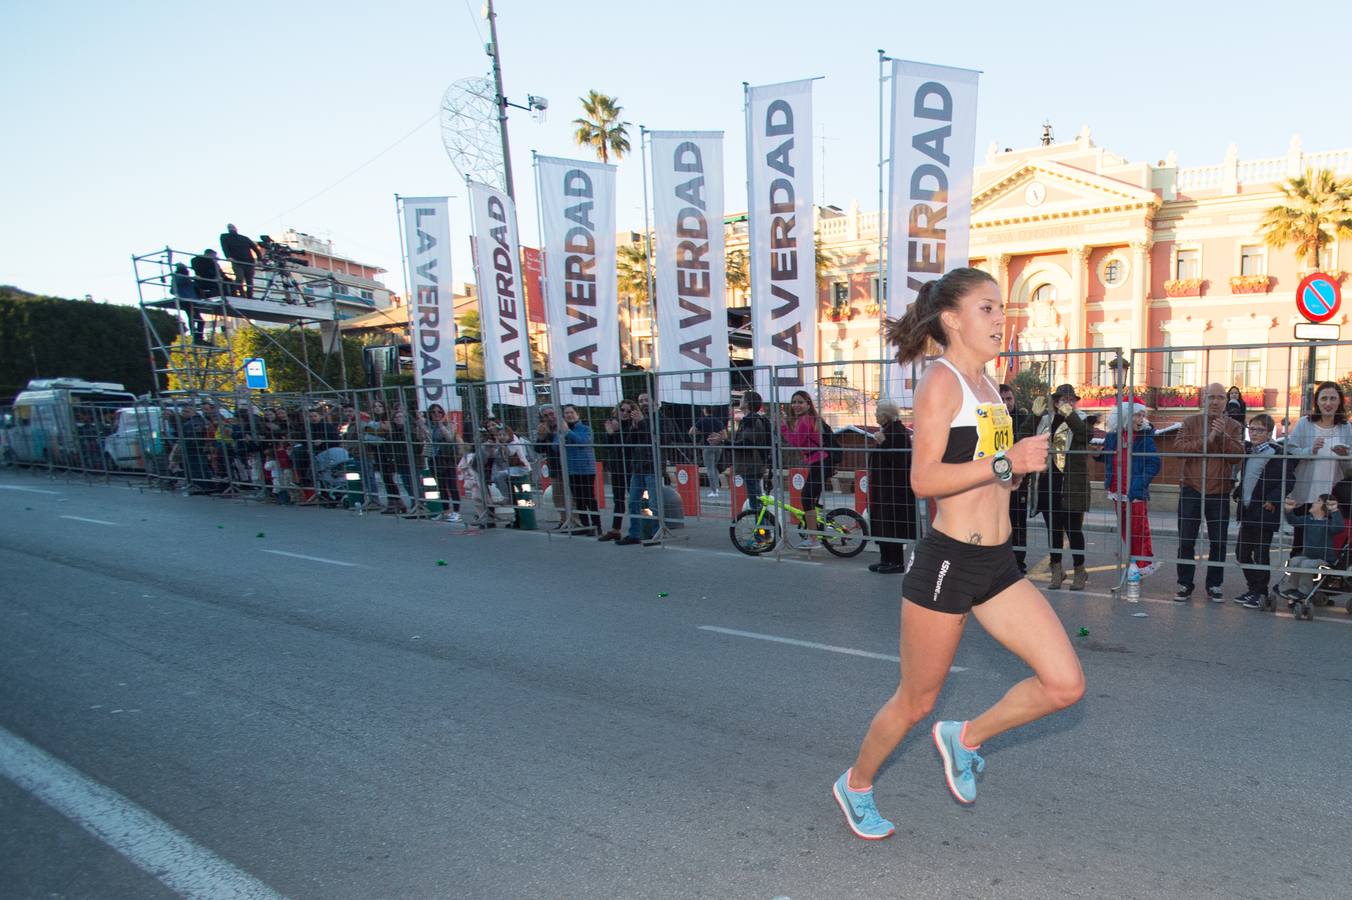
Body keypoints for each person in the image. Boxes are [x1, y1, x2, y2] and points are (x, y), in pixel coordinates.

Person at [832, 267, 1081, 842]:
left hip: (997, 564)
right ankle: (857, 784)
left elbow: (990, 475)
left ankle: (965, 736)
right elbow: (923, 479)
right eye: (988, 309)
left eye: (1001, 308)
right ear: (952, 319)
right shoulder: (939, 383)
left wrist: (1017, 472)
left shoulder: (991, 386)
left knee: (1064, 684)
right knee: (915, 701)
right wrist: (1006, 463)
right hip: (948, 562)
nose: (1002, 319)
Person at [1173, 383, 1246, 602]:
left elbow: (1238, 456)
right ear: (1203, 400)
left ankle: (1214, 584)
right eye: (1211, 397)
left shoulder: (1234, 425)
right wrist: (1208, 440)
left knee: (1219, 542)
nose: (1215, 401)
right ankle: (1184, 583)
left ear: (1226, 401)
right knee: (1186, 540)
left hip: (1219, 491)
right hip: (1191, 489)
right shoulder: (1190, 422)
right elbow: (1177, 449)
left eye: (1220, 397)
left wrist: (1221, 435)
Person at [1282, 381, 1352, 557]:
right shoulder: (1305, 423)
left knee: (1326, 542)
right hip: (1305, 493)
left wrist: (1345, 456)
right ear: (1317, 402)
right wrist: (1310, 451)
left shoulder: (1346, 427)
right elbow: (1290, 450)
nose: (1328, 403)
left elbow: (1349, 468)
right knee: (1300, 542)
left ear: (1340, 402)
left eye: (1333, 398)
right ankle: (1293, 581)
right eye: (1324, 398)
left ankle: (1318, 581)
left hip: (1331, 495)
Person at [1034, 384, 1091, 590]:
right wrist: (1034, 417)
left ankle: (1079, 571)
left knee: (1074, 530)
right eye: (1061, 400)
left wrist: (1070, 415)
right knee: (1054, 530)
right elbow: (1024, 437)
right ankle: (1056, 570)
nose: (1066, 403)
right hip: (1049, 482)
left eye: (1070, 400)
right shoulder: (1046, 421)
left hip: (1072, 485)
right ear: (1055, 402)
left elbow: (1085, 435)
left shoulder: (1082, 419)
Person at [1098, 403, 1161, 576]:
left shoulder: (1144, 437)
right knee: (1125, 528)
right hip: (1117, 490)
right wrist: (1099, 455)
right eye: (1137, 415)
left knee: (1139, 529)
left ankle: (1143, 564)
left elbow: (1154, 464)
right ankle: (1134, 561)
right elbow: (1110, 458)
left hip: (1134, 492)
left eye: (1142, 415)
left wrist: (1139, 484)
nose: (1141, 419)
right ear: (1126, 416)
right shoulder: (1113, 437)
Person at [1234, 414, 1285, 608]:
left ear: (1270, 432)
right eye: (1251, 429)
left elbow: (1287, 480)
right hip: (1247, 511)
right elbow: (1248, 478)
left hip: (1264, 511)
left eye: (1259, 430)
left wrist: (1273, 499)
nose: (1253, 433)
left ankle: (1261, 593)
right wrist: (1239, 491)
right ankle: (1253, 588)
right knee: (1241, 553)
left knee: (1261, 554)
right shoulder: (1250, 452)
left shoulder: (1277, 452)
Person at [865, 399, 916, 574]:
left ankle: (896, 562)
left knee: (891, 524)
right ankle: (885, 559)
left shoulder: (898, 432)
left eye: (878, 412)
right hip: (883, 487)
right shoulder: (887, 431)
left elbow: (901, 460)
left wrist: (884, 442)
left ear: (886, 414)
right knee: (882, 523)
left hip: (893, 489)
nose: (875, 415)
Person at [998, 383, 1038, 573]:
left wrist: (1024, 475)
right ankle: (1000, 561)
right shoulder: (992, 421)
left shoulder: (1022, 419)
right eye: (1002, 399)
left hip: (1018, 481)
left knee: (1018, 522)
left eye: (1009, 399)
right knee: (998, 522)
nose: (1006, 403)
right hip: (995, 481)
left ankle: (1018, 562)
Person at [1275, 495, 1344, 603]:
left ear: (1324, 507)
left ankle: (1304, 591)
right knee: (1294, 561)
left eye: (1318, 501)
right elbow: (1294, 521)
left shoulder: (1328, 523)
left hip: (1324, 559)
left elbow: (1338, 528)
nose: (1314, 502)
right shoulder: (1308, 519)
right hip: (1308, 556)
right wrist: (1289, 510)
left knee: (1306, 564)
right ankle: (1293, 587)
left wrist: (1334, 510)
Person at [780, 390, 828, 535]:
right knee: (810, 498)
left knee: (806, 498)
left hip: (819, 462)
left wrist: (783, 427)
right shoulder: (812, 418)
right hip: (821, 462)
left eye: (800, 402)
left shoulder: (805, 420)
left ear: (808, 404)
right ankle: (815, 529)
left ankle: (813, 538)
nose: (796, 405)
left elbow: (797, 443)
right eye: (794, 402)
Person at [616, 398, 660, 546]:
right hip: (638, 467)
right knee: (633, 501)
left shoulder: (659, 419)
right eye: (641, 401)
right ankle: (634, 533)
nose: (644, 403)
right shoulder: (636, 422)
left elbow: (657, 438)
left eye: (647, 400)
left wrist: (641, 423)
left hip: (652, 466)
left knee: (654, 504)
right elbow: (629, 444)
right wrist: (635, 427)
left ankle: (656, 534)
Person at [728, 391, 772, 510]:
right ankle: (763, 526)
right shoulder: (753, 419)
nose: (740, 401)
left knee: (755, 502)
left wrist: (725, 442)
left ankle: (762, 527)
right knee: (756, 499)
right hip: (754, 465)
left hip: (750, 466)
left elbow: (746, 443)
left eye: (742, 398)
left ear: (747, 403)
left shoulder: (750, 420)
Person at [560, 404, 600, 535]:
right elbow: (555, 447)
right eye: (566, 413)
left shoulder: (585, 428)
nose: (569, 415)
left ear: (577, 414)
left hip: (586, 469)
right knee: (579, 499)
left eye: (571, 412)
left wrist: (568, 433)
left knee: (589, 497)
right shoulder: (562, 430)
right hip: (572, 469)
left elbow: (583, 442)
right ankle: (585, 525)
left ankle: (596, 526)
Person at [596, 403, 632, 541]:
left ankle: (641, 529)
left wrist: (616, 432)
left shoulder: (633, 426)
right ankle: (615, 529)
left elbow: (628, 445)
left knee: (636, 499)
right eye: (622, 410)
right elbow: (608, 446)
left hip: (630, 467)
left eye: (628, 411)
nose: (625, 413)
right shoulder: (613, 426)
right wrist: (611, 433)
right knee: (618, 499)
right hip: (616, 467)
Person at [425, 403, 463, 522]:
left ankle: (456, 512)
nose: (436, 414)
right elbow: (421, 437)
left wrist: (441, 425)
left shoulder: (450, 424)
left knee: (452, 486)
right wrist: (421, 425)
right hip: (434, 458)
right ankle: (445, 511)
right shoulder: (428, 426)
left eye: (439, 412)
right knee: (441, 486)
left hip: (447, 458)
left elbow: (449, 438)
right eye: (433, 412)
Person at [534, 406, 567, 527]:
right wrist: (542, 437)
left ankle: (575, 520)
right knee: (557, 496)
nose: (550, 418)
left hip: (569, 466)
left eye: (551, 414)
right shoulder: (545, 430)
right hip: (554, 467)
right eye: (546, 416)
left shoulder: (565, 425)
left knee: (573, 496)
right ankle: (564, 520)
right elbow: (538, 449)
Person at [691, 406, 727, 498]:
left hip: (707, 445)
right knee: (714, 466)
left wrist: (701, 432)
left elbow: (691, 432)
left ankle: (713, 491)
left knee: (710, 468)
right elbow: (725, 435)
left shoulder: (702, 421)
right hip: (718, 446)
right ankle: (717, 487)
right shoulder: (718, 421)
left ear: (704, 410)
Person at [219, 224, 262, 298]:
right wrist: (228, 256)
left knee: (249, 280)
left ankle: (249, 296)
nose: (231, 229)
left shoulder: (244, 238)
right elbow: (224, 247)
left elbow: (256, 249)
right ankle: (242, 295)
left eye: (232, 227)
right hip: (237, 261)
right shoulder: (225, 237)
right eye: (230, 227)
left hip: (248, 261)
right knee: (239, 278)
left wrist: (259, 259)